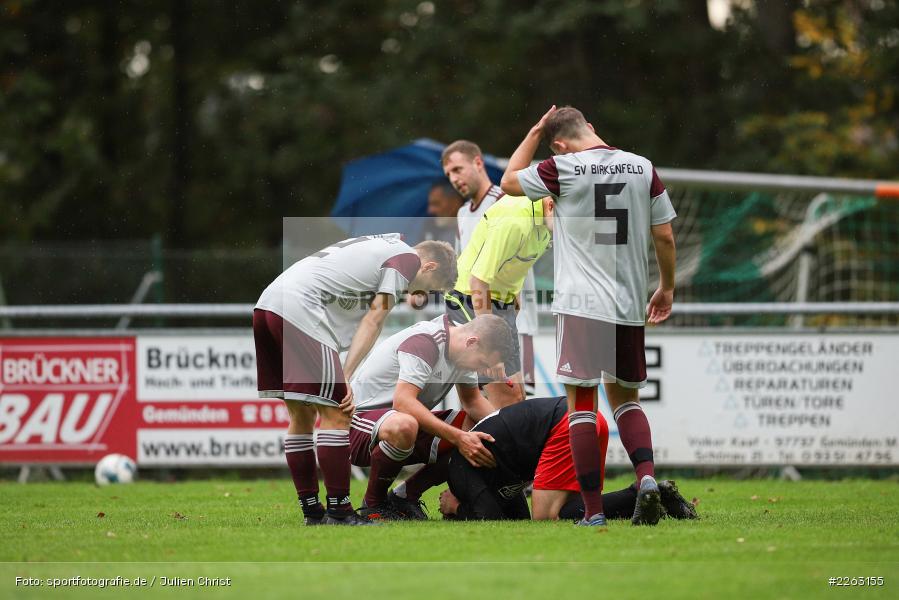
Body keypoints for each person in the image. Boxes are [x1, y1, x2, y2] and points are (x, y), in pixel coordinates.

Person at [501, 106, 678, 527]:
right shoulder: (642, 166)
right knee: (626, 403)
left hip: (580, 305)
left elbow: (508, 182)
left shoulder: (560, 167)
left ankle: (594, 512)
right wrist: (667, 287)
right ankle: (647, 479)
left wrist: (533, 133)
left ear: (558, 144)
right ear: (592, 129)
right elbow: (665, 234)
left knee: (582, 407)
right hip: (629, 304)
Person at [253, 234, 457, 526]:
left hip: (269, 304)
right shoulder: (407, 260)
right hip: (299, 307)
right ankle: (339, 511)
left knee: (300, 415)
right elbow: (374, 319)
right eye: (428, 288)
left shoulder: (384, 244)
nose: (419, 295)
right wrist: (345, 376)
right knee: (338, 411)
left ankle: (312, 511)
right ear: (429, 266)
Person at [350, 314, 514, 520]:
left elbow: (473, 402)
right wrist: (458, 437)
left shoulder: (461, 351)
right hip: (357, 426)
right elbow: (403, 402)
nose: (481, 370)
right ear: (472, 342)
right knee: (406, 423)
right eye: (482, 362)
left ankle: (404, 497)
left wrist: (509, 434)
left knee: (478, 428)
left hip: (399, 423)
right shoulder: (425, 342)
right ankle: (373, 505)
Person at [437, 397, 697, 523]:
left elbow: (491, 519)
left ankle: (640, 492)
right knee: (564, 513)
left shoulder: (460, 472)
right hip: (587, 420)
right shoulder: (489, 473)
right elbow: (516, 522)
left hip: (566, 424)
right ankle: (650, 494)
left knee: (545, 516)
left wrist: (455, 508)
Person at [442, 141, 543, 407]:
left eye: (457, 169)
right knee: (483, 399)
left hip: (515, 317)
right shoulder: (463, 214)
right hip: (478, 314)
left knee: (518, 398)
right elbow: (465, 272)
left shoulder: (509, 199)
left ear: (478, 162)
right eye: (449, 174)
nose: (454, 179)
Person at [421, 180, 465, 245]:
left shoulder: (473, 228)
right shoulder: (429, 228)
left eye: (436, 204)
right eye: (430, 204)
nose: (430, 210)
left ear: (455, 203)